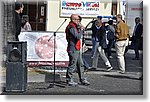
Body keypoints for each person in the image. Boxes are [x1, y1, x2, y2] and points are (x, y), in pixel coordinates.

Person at [65, 14, 90, 86]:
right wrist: (81, 30)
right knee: (72, 65)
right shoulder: (71, 27)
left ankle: (82, 79)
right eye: (77, 20)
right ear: (73, 19)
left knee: (80, 64)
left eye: (79, 20)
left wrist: (80, 28)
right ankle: (69, 79)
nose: (79, 21)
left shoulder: (75, 26)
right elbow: (77, 36)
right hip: (73, 49)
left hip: (77, 48)